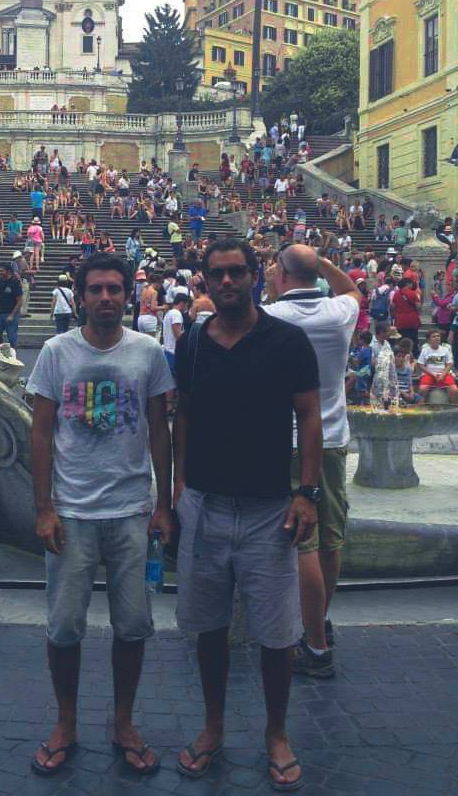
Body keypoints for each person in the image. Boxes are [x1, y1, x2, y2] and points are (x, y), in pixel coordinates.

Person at [172, 238, 322, 791]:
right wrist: (178, 487)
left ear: (257, 276)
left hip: (268, 508)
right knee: (209, 628)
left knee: (277, 633)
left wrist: (307, 492)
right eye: (218, 274)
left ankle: (276, 733)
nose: (228, 282)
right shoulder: (191, 344)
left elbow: (309, 417)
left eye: (238, 272)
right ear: (205, 280)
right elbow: (181, 418)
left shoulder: (287, 341)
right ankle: (213, 727)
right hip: (205, 503)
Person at [26, 253, 174, 777]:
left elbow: (160, 431)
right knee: (64, 627)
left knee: (132, 625)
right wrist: (42, 508)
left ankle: (123, 721)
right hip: (71, 512)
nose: (106, 297)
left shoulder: (149, 352)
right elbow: (40, 434)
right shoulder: (54, 351)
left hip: (132, 510)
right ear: (81, 295)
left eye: (115, 289)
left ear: (128, 294)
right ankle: (66, 721)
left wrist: (165, 504)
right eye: (96, 290)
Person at [264, 246, 361, 678]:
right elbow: (353, 288)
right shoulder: (340, 312)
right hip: (334, 438)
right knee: (331, 537)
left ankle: (316, 646)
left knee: (304, 541)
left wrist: (273, 281)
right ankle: (320, 618)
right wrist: (318, 261)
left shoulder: (270, 319)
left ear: (282, 275)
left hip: (286, 441)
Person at [417, 330, 458, 401]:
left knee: (455, 390)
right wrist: (433, 374)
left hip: (444, 374)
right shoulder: (425, 350)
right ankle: (420, 407)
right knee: (422, 389)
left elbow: (450, 364)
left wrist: (442, 375)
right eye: (434, 336)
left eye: (438, 336)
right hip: (429, 374)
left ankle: (454, 408)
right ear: (429, 340)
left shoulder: (446, 350)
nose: (437, 338)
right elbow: (420, 365)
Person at [0, 263, 22, 349]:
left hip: (10, 314)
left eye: (2, 271)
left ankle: (13, 356)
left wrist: (12, 315)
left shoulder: (15, 282)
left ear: (8, 271)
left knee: (12, 338)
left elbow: (20, 301)